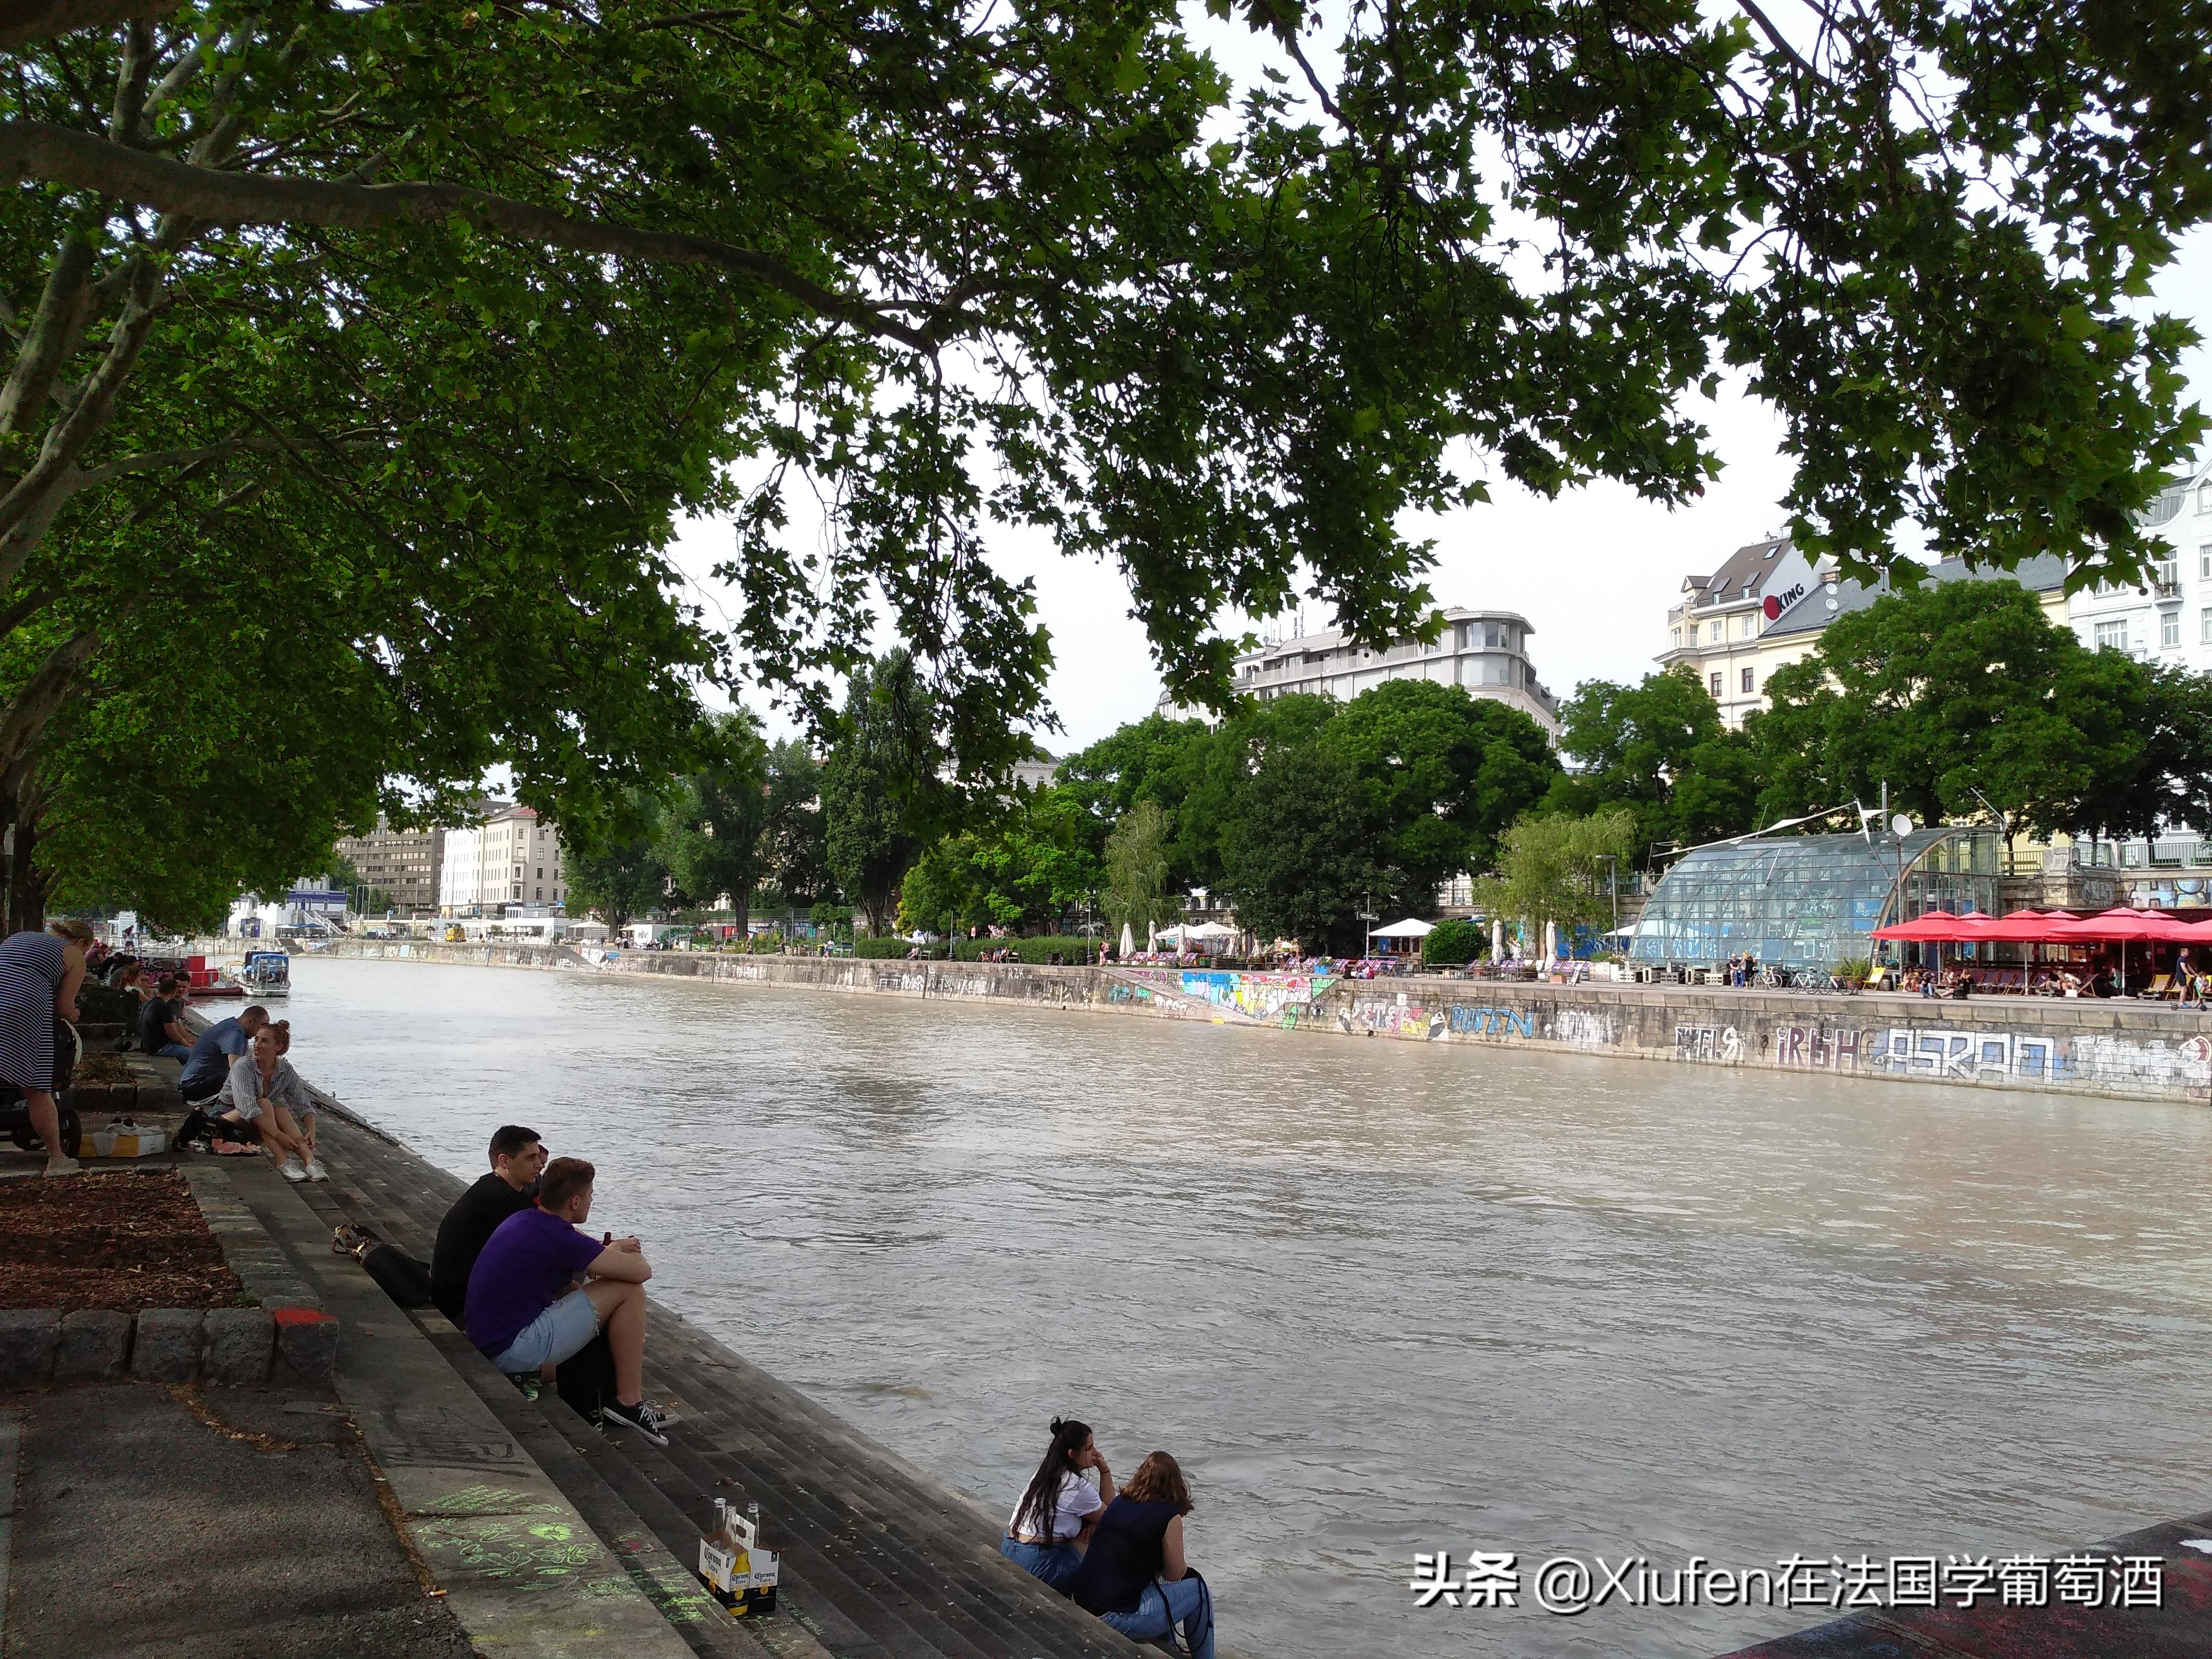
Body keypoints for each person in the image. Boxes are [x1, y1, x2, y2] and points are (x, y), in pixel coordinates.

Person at [464, 1156, 670, 1444]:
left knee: (590, 1293)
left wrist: (608, 1254)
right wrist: (629, 1250)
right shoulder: (559, 1237)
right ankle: (628, 1402)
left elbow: (568, 1287)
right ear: (575, 1202)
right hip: (509, 1351)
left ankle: (608, 1396)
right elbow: (641, 1273)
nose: (590, 1201)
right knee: (629, 1291)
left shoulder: (525, 1219)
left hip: (489, 1342)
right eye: (590, 1196)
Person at [1067, 1452, 1213, 1659]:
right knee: (1199, 1590)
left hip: (1080, 1599)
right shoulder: (1169, 1516)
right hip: (1111, 1617)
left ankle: (1171, 1648)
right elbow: (1175, 1574)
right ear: (1176, 1483)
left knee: (1153, 1585)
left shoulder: (1120, 1502)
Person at [0, 919, 93, 1176]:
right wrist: (74, 1014)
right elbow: (63, 1007)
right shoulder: (73, 955)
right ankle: (56, 1158)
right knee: (37, 1088)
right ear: (82, 943)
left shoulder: (18, 938)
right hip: (23, 1012)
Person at [431, 1125, 548, 1326]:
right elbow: (556, 1239)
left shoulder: (492, 1187)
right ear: (504, 1161)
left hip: (456, 1299)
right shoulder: (503, 1199)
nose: (540, 1165)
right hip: (464, 1308)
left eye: (538, 1157)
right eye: (531, 1158)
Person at [1002, 1418, 1114, 1591]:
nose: (1096, 1453)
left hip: (1010, 1547)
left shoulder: (1045, 1473)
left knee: (1087, 1524)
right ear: (1072, 1454)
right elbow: (1111, 1517)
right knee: (1098, 1535)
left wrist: (1094, 1520)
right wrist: (1105, 1471)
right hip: (1036, 1564)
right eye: (1089, 1448)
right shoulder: (1076, 1486)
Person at [207, 1018, 324, 1181]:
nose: (257, 1045)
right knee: (264, 1104)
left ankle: (310, 1161)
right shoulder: (243, 1066)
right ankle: (283, 1161)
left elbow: (302, 1104)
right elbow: (247, 1109)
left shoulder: (285, 1070)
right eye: (256, 1040)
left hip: (255, 1123)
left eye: (264, 1041)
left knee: (281, 1110)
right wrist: (278, 1135)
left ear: (279, 1047)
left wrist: (312, 1130)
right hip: (224, 1122)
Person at [178, 1003, 270, 1103]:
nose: (260, 1032)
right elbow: (237, 1070)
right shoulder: (235, 1034)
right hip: (194, 1087)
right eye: (261, 1027)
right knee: (242, 1078)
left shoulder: (232, 1025)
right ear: (251, 1022)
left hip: (197, 1082)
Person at [137, 973, 191, 1061]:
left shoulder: (149, 1003)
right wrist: (191, 1046)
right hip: (161, 1048)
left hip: (148, 1046)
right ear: (173, 992)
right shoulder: (165, 1008)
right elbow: (174, 1036)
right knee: (195, 1057)